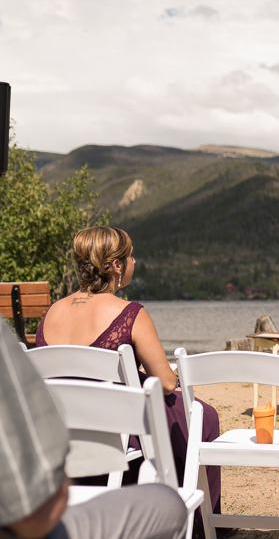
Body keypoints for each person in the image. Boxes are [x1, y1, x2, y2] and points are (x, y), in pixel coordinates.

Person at [34, 227, 230, 539]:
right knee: (202, 414)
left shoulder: (50, 314)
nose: (134, 261)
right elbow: (165, 382)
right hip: (116, 429)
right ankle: (200, 525)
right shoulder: (130, 313)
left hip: (65, 430)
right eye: (131, 256)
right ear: (115, 266)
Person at [0, 321, 188, 539]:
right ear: (117, 282)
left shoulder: (50, 316)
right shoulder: (133, 316)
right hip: (31, 524)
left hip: (79, 428)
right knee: (168, 504)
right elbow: (34, 517)